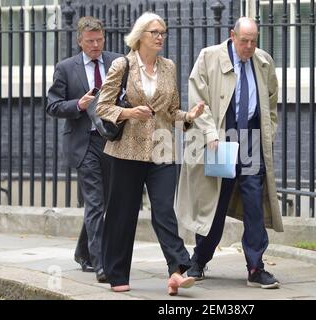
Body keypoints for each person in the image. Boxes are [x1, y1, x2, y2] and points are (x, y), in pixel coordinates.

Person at [96, 12, 204, 294]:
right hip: (126, 151)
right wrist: (129, 112)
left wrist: (189, 116)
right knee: (122, 213)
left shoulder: (168, 66)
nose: (160, 37)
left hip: (161, 149)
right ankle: (116, 273)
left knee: (165, 209)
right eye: (155, 32)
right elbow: (102, 107)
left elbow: (170, 112)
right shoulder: (123, 65)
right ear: (140, 35)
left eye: (162, 32)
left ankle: (177, 270)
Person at [176, 17, 284, 289]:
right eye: (244, 41)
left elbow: (271, 100)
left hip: (251, 141)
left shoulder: (263, 61)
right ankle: (199, 261)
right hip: (220, 141)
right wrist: (210, 132)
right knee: (216, 204)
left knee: (254, 205)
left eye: (253, 41)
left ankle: (256, 267)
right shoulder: (209, 57)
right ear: (232, 35)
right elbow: (197, 98)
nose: (249, 47)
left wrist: (268, 130)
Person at [47, 16, 122, 283]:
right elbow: (53, 106)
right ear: (80, 41)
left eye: (99, 40)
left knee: (108, 203)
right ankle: (101, 263)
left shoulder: (117, 62)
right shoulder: (66, 68)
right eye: (90, 41)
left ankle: (83, 252)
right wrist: (78, 104)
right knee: (95, 202)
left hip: (112, 140)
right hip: (84, 142)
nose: (95, 45)